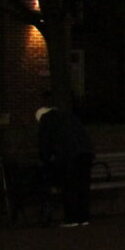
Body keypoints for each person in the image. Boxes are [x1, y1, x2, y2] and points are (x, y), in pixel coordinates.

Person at [36, 96, 95, 227]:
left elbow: (45, 144)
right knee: (82, 186)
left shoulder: (46, 120)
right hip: (86, 153)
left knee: (70, 187)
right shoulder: (68, 116)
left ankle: (71, 218)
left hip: (69, 156)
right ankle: (83, 217)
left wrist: (45, 160)